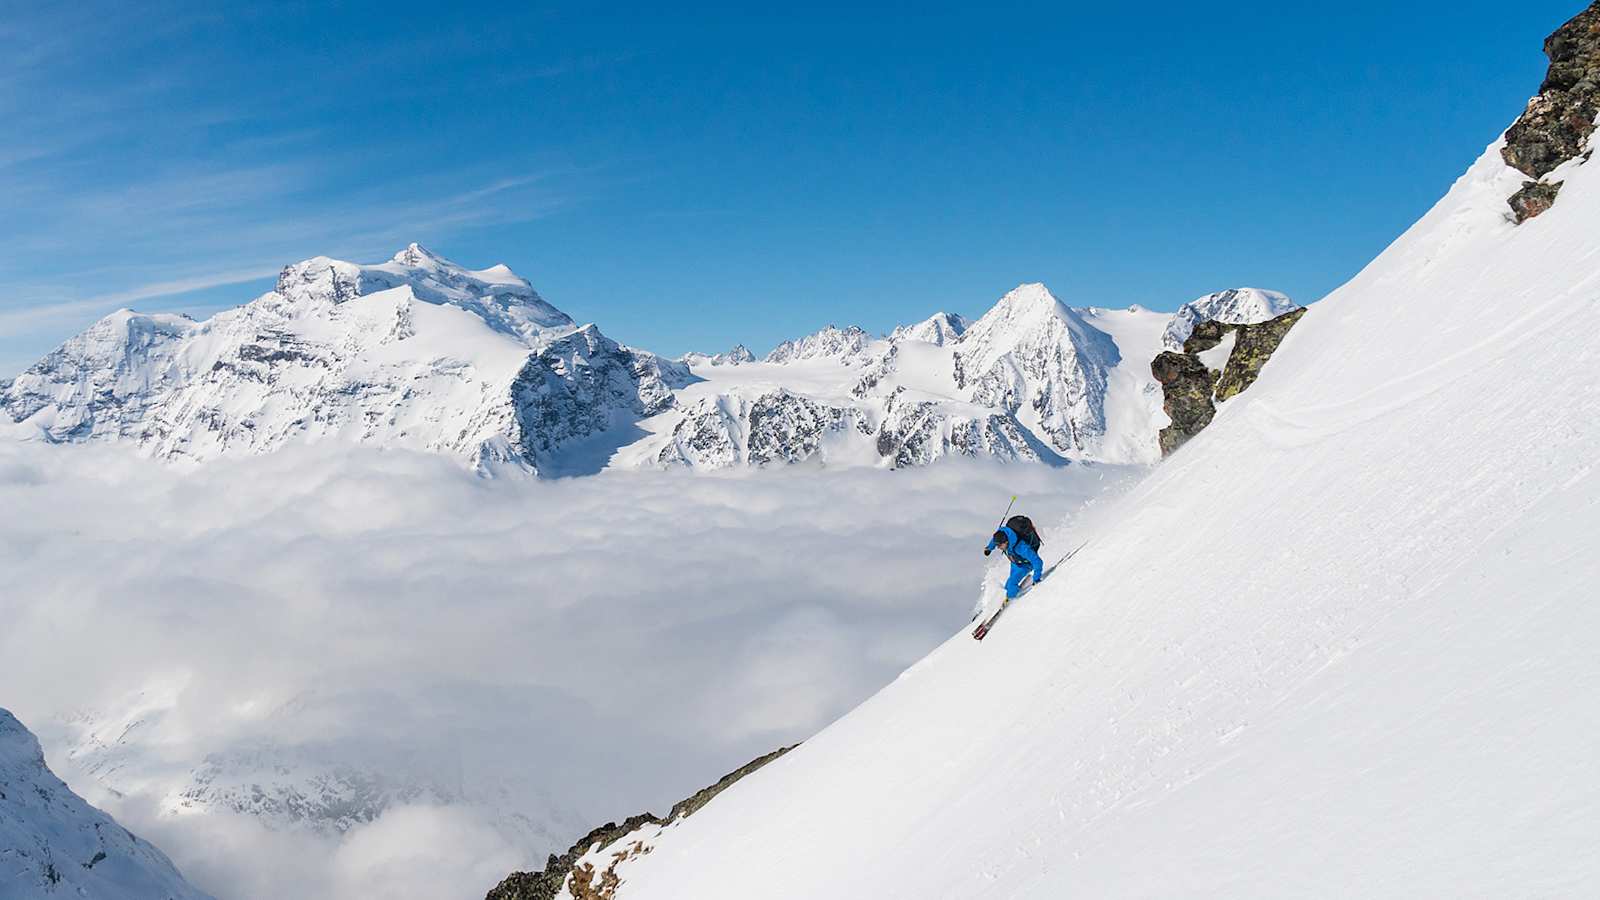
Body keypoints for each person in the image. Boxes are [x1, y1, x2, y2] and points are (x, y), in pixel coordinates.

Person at [985, 523, 1044, 601]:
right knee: (1007, 586)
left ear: (1006, 542)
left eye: (999, 546)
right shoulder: (1002, 533)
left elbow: (1037, 561)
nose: (998, 548)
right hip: (1015, 563)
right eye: (997, 546)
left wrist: (1036, 578)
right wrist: (989, 548)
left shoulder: (1021, 547)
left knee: (1012, 583)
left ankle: (1010, 600)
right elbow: (994, 540)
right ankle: (1005, 596)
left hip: (1025, 565)